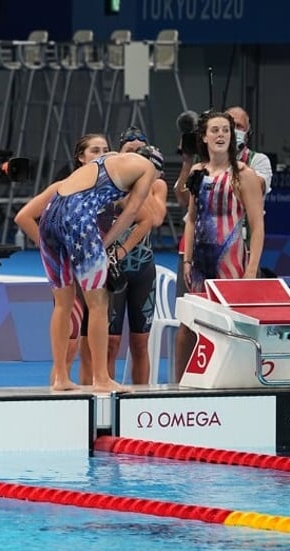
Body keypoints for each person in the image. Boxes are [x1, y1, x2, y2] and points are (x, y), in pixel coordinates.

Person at [37, 151, 155, 393]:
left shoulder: (108, 159)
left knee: (63, 303)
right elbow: (132, 212)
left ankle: (60, 377)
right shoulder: (147, 168)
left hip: (50, 214)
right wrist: (107, 244)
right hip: (79, 217)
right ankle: (101, 378)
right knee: (99, 302)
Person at [173, 110, 265, 382]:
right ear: (204, 137)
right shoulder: (198, 172)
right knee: (189, 327)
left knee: (231, 329)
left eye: (225, 130)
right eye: (215, 130)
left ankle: (234, 385)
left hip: (231, 267)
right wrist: (187, 261)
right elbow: (191, 219)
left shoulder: (244, 175)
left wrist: (250, 272)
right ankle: (180, 388)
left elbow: (257, 226)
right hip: (199, 266)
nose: (221, 135)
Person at [16, 133, 108, 387]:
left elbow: (146, 217)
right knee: (71, 344)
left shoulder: (110, 191)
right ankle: (60, 382)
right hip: (72, 274)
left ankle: (98, 388)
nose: (101, 156)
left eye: (105, 150)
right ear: (81, 157)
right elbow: (24, 216)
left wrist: (114, 247)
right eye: (94, 151)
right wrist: (53, 250)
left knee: (98, 343)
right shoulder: (62, 188)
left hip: (96, 270)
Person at [101, 130, 166, 385]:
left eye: (143, 152)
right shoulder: (110, 182)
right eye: (131, 151)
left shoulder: (156, 185)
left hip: (143, 271)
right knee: (110, 343)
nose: (138, 157)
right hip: (113, 269)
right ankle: (107, 398)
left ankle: (142, 401)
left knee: (140, 343)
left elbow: (157, 218)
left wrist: (144, 181)